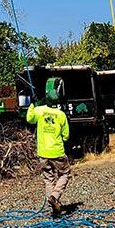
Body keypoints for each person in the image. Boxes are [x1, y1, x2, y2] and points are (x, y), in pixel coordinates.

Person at [26, 80, 71, 217]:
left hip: (43, 152)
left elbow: (29, 119)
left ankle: (53, 206)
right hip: (57, 151)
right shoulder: (61, 115)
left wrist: (32, 104)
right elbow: (66, 135)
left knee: (48, 179)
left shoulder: (39, 111)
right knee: (65, 174)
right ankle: (55, 196)